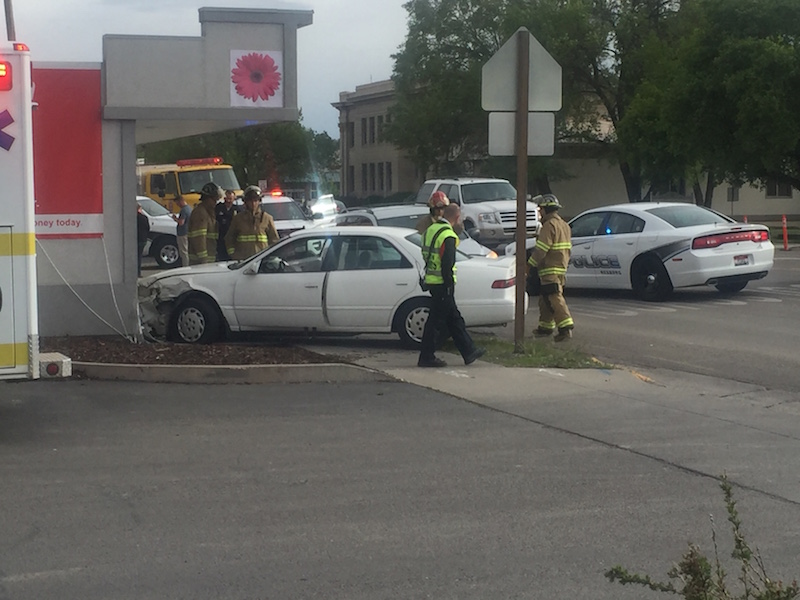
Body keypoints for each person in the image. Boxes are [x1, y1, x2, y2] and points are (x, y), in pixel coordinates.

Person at [418, 202, 485, 368]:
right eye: (460, 217)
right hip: (443, 283)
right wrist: (448, 285)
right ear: (456, 217)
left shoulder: (430, 231)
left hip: (432, 281)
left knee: (454, 318)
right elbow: (447, 263)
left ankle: (469, 351)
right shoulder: (448, 235)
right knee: (436, 322)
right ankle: (426, 356)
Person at [527, 193, 574, 342]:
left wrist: (529, 265)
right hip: (560, 268)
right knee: (545, 299)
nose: (539, 213)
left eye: (541, 210)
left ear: (546, 209)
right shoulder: (564, 225)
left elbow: (541, 249)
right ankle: (545, 327)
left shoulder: (549, 225)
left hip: (549, 269)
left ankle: (565, 328)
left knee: (554, 298)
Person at [225, 185, 280, 260]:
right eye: (250, 201)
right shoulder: (238, 219)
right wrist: (233, 254)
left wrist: (270, 258)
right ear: (245, 202)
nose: (253, 203)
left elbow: (274, 240)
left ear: (259, 201)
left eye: (255, 200)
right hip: (243, 262)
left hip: (261, 261)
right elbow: (229, 238)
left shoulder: (267, 218)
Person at [187, 182, 222, 264]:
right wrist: (204, 260)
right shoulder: (200, 213)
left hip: (209, 259)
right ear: (207, 198)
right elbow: (199, 238)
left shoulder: (208, 212)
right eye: (214, 200)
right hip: (201, 262)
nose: (215, 203)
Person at [215, 188, 239, 260]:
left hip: (232, 238)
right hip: (220, 237)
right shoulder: (218, 208)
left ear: (234, 199)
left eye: (230, 199)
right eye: (227, 198)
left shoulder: (237, 209)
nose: (228, 201)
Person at [173, 194, 192, 267]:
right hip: (187, 232)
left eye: (177, 203)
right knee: (187, 250)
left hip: (182, 233)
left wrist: (175, 219)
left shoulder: (183, 210)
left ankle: (185, 266)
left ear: (181, 201)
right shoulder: (189, 208)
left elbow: (181, 222)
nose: (177, 205)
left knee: (183, 251)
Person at [136, 205, 150, 277]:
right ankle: (138, 273)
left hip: (135, 239)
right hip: (143, 239)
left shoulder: (132, 218)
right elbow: (148, 228)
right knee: (139, 256)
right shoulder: (144, 218)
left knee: (135, 257)